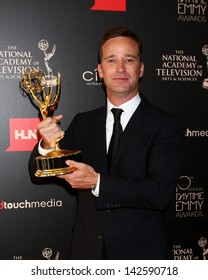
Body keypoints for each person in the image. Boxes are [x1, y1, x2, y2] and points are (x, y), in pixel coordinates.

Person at [29, 26, 185, 260]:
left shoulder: (166, 125)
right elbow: (36, 171)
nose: (120, 68)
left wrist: (97, 182)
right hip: (87, 255)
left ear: (140, 69)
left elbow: (160, 192)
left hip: (142, 258)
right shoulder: (83, 122)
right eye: (111, 60)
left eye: (128, 59)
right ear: (100, 71)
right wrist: (48, 144)